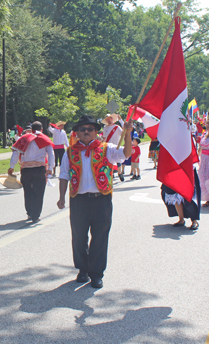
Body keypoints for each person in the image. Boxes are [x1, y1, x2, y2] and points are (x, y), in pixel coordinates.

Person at [57, 115, 133, 288]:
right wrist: (61, 197)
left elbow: (126, 154)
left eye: (89, 129)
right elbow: (63, 175)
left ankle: (96, 273)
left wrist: (128, 134)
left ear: (96, 132)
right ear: (76, 133)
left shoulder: (107, 149)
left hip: (102, 200)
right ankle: (82, 270)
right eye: (82, 129)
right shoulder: (70, 152)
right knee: (78, 238)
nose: (86, 132)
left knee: (100, 237)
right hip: (79, 200)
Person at [8, 121, 54, 223]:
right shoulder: (44, 139)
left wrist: (12, 166)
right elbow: (51, 153)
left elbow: (16, 151)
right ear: (41, 129)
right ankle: (35, 215)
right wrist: (51, 167)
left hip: (26, 169)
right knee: (39, 192)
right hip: (40, 169)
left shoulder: (24, 138)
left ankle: (29, 212)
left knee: (27, 191)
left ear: (32, 129)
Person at [101, 114, 125, 182]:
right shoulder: (105, 128)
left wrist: (121, 120)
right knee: (109, 161)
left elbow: (123, 132)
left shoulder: (117, 127)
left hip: (116, 146)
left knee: (118, 161)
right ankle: (111, 174)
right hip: (108, 147)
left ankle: (120, 173)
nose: (109, 120)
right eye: (107, 119)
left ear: (112, 119)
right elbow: (104, 137)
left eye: (109, 118)